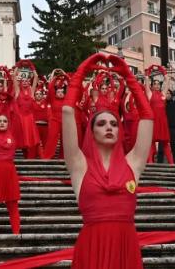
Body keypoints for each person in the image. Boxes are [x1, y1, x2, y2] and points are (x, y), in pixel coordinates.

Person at [63, 53, 154, 269]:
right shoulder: (79, 165)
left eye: (114, 123)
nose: (109, 127)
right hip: (92, 246)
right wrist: (82, 72)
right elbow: (67, 110)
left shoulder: (133, 163)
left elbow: (147, 116)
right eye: (102, 124)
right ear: (91, 132)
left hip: (126, 245)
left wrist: (129, 78)